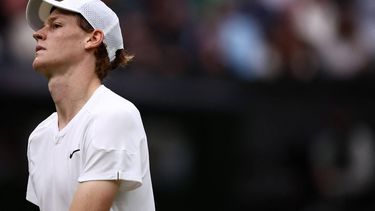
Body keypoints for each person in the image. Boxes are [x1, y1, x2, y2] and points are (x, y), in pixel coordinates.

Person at [25, 0, 155, 210]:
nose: (38, 33)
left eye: (55, 25)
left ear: (93, 38)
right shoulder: (39, 136)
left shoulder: (114, 115)